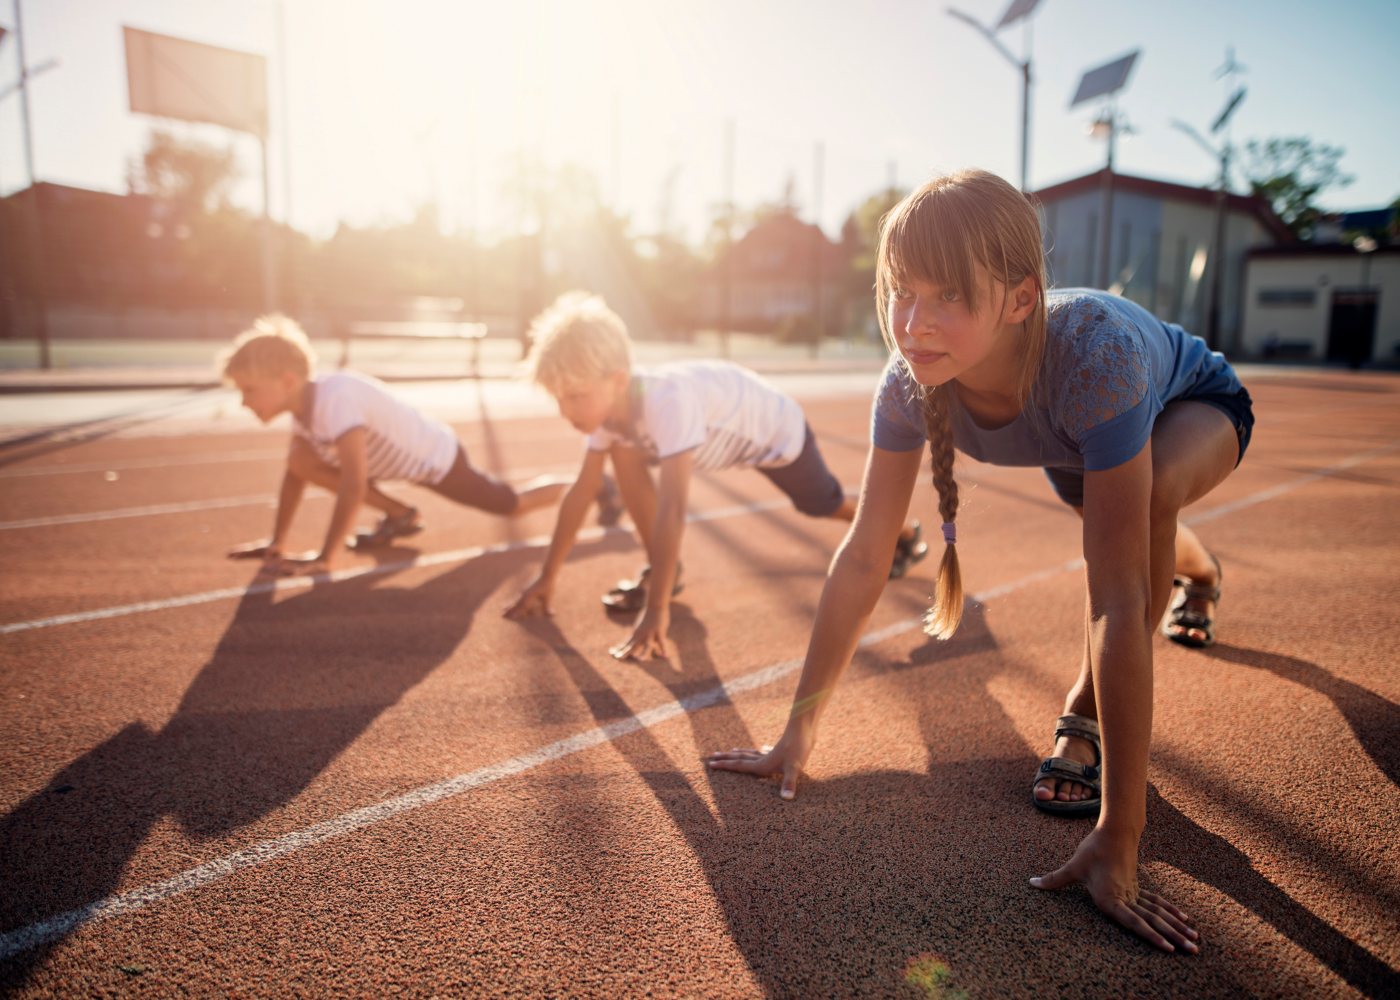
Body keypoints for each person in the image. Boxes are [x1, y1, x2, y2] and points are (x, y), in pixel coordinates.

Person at [707, 169, 1255, 954]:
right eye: (902, 292)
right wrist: (796, 733)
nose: (915, 324)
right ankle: (1202, 573)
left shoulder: (1094, 360)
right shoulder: (906, 386)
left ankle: (1084, 713)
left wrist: (1121, 836)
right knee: (1136, 525)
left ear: (1022, 298)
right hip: (1083, 441)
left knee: (1152, 505)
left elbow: (1117, 605)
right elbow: (865, 555)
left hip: (1193, 406)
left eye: (949, 298)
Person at [503, 291, 928, 660]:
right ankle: (664, 570)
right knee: (622, 452)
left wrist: (656, 610)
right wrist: (547, 577)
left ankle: (903, 535)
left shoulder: (666, 403)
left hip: (776, 433)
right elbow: (581, 491)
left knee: (822, 505)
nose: (566, 412)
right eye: (559, 399)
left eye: (575, 397)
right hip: (726, 429)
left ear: (617, 380)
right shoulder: (608, 416)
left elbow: (672, 510)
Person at [220, 314, 616, 576]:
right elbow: (296, 475)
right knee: (299, 459)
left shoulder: (334, 399)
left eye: (250, 390)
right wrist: (277, 543)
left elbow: (354, 483)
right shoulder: (304, 410)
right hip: (395, 464)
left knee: (509, 504)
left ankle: (597, 486)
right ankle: (401, 515)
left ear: (288, 381)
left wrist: (327, 557)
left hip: (436, 459)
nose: (244, 401)